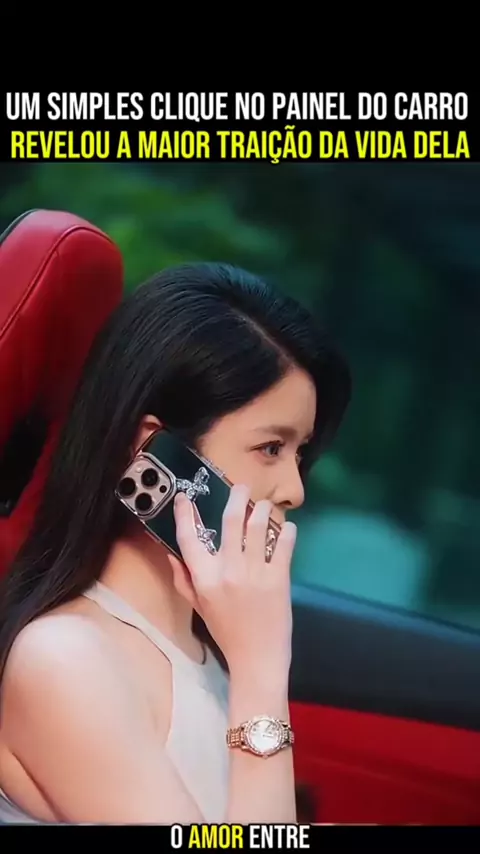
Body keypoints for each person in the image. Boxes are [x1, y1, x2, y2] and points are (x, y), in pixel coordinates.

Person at [0, 262, 351, 824]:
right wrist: (261, 671)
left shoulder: (203, 646)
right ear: (152, 450)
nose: (294, 490)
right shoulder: (66, 658)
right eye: (270, 448)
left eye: (300, 452)